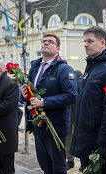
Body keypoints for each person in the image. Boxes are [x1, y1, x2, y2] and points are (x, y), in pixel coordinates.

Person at [70, 26, 106, 173]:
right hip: (86, 137)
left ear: (102, 43)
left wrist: (103, 142)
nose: (85, 44)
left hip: (97, 141)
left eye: (90, 41)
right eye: (85, 41)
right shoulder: (92, 66)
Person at [21, 33, 77, 174]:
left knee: (58, 167)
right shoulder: (35, 67)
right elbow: (30, 93)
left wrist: (44, 102)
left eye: (50, 42)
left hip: (55, 126)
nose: (45, 43)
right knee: (45, 165)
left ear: (58, 48)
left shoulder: (64, 69)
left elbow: (71, 96)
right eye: (44, 41)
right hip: (38, 125)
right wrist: (24, 95)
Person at [65, 70, 83, 170]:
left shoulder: (75, 81)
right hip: (73, 113)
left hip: (74, 113)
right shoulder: (81, 82)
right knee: (74, 137)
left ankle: (73, 161)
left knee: (72, 137)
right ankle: (77, 162)